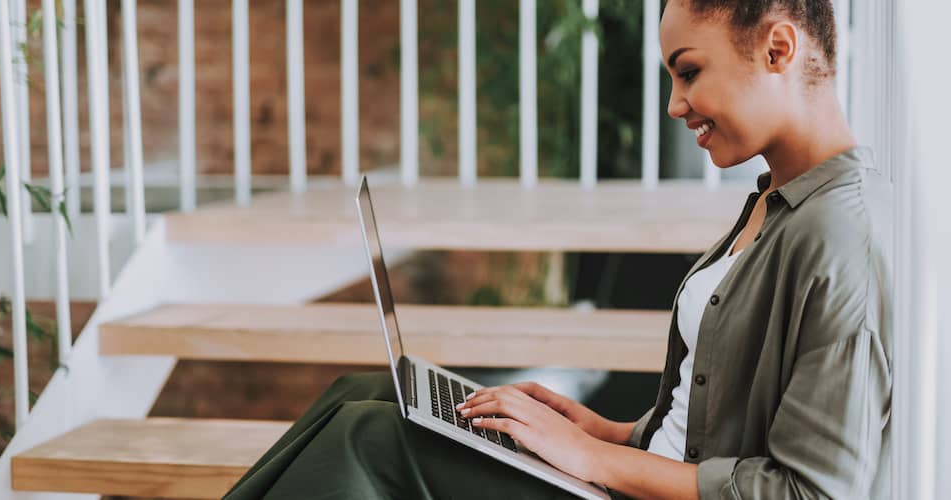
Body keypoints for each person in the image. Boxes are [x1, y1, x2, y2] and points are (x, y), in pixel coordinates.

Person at [225, 0, 891, 498]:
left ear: (778, 50)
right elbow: (700, 424)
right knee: (365, 390)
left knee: (367, 439)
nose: (674, 104)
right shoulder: (775, 201)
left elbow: (811, 491)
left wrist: (591, 458)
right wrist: (598, 429)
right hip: (624, 477)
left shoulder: (837, 237)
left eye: (689, 73)